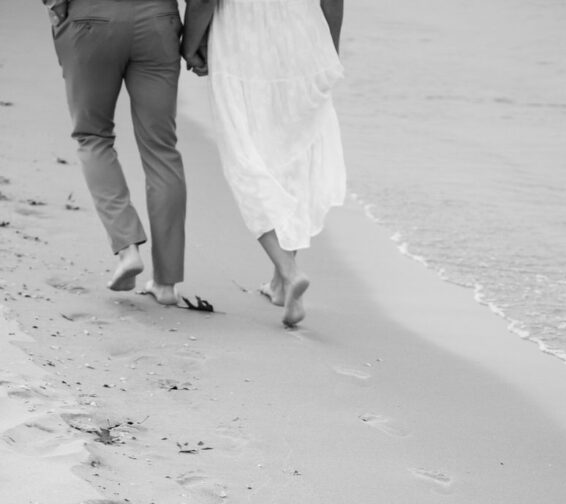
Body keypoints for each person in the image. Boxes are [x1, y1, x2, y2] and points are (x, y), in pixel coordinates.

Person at [182, 0, 346, 327]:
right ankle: (279, 285)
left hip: (241, 40)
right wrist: (329, 47)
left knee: (245, 157)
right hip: (303, 33)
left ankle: (288, 270)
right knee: (294, 150)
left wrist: (191, 45)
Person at [43, 0, 187, 305]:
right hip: (157, 21)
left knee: (92, 137)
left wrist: (56, 9)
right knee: (162, 150)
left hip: (90, 17)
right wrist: (197, 41)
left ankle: (127, 249)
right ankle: (166, 283)